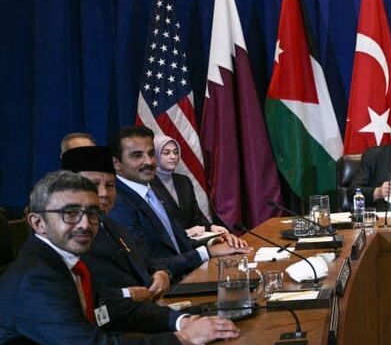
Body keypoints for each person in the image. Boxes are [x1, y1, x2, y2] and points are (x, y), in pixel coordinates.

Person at [0, 171, 239, 345]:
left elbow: (112, 310)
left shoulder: (63, 260)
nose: (85, 224)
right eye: (70, 213)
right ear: (37, 222)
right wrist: (184, 339)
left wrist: (181, 321)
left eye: (92, 213)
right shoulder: (35, 279)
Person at [108, 125, 250, 268]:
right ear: (117, 163)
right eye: (137, 155)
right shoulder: (118, 201)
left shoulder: (151, 191)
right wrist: (207, 252)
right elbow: (147, 264)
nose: (149, 162)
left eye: (151, 154)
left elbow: (177, 241)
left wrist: (215, 241)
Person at [61, 145, 172, 303]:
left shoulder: (112, 225)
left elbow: (142, 259)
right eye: (94, 184)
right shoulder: (69, 235)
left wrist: (162, 273)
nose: (104, 194)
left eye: (110, 185)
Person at [151, 134, 226, 238]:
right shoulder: (148, 184)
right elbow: (155, 228)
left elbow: (195, 216)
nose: (173, 156)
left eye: (176, 152)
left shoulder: (183, 181)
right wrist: (186, 232)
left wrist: (211, 227)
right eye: (166, 153)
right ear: (155, 155)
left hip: (193, 242)